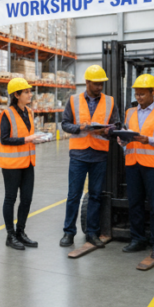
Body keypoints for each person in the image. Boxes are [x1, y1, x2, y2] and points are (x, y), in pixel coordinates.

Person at [60, 65, 119, 247]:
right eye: (96, 84)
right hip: (79, 154)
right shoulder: (74, 100)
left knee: (95, 195)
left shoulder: (109, 101)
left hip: (99, 154)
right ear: (86, 82)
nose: (99, 87)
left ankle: (92, 233)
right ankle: (69, 233)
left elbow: (116, 124)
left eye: (101, 84)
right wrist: (81, 127)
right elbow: (65, 124)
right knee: (74, 195)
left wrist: (107, 131)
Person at [119, 74, 154, 261]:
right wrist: (122, 140)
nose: (139, 97)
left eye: (142, 94)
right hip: (133, 163)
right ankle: (138, 239)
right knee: (134, 203)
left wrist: (148, 140)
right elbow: (127, 137)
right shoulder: (130, 112)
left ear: (153, 92)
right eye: (137, 94)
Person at [0, 77, 48, 250]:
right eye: (26, 92)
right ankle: (10, 235)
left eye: (29, 91)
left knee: (26, 198)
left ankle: (21, 232)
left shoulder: (29, 112)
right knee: (10, 198)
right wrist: (27, 139)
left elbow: (27, 135)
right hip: (11, 164)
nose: (30, 94)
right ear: (16, 95)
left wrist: (35, 140)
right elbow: (4, 139)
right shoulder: (7, 114)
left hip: (27, 162)